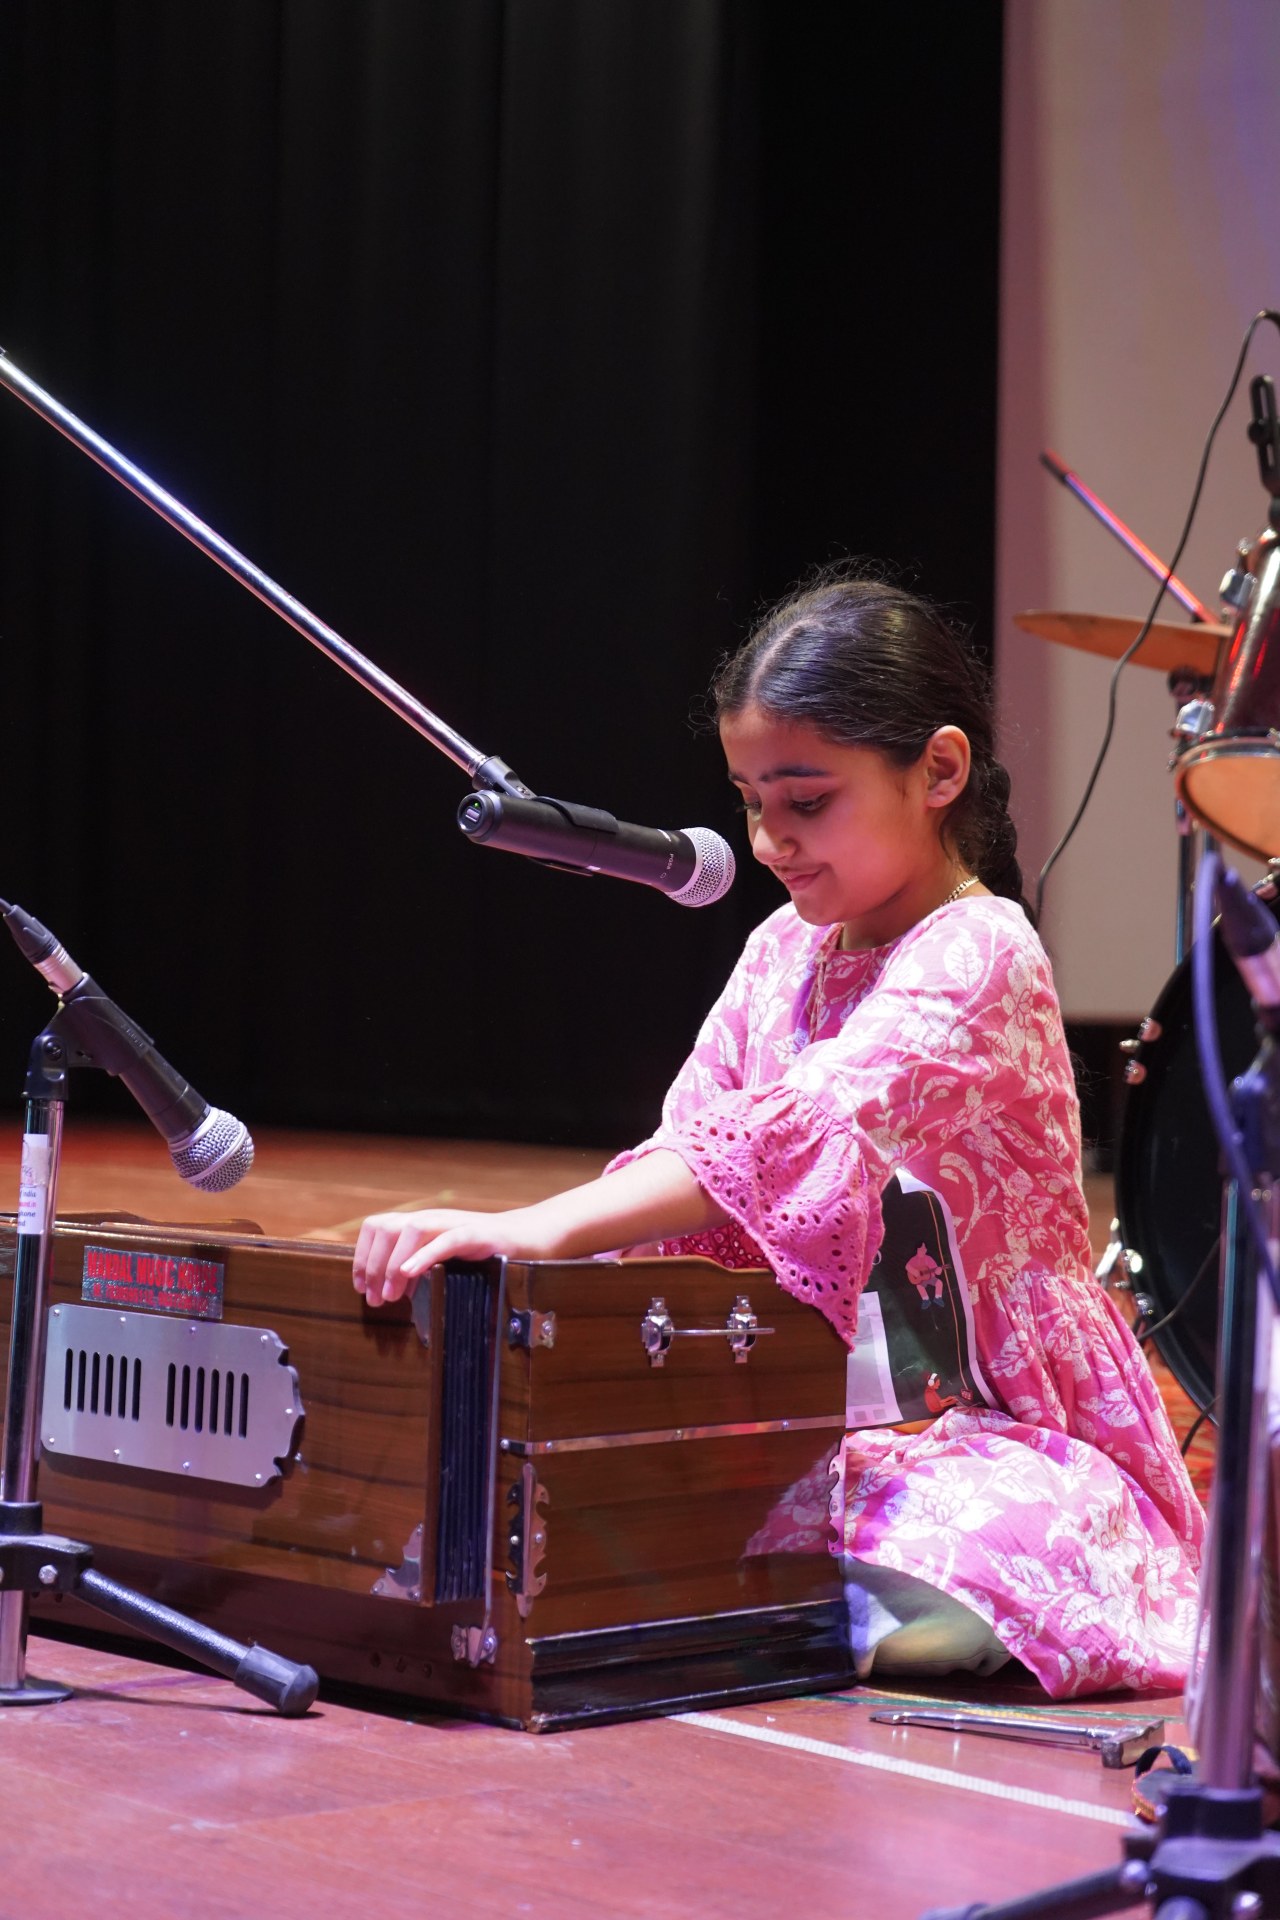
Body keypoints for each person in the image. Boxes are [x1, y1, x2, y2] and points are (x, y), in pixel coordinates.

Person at [353, 574, 1204, 1699]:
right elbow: (693, 1142)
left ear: (938, 772)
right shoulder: (778, 952)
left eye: (806, 800)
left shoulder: (981, 950)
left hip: (1000, 1416)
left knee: (964, 1567)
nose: (766, 840)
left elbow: (792, 1135)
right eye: (751, 800)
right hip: (813, 1403)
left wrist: (534, 1227)